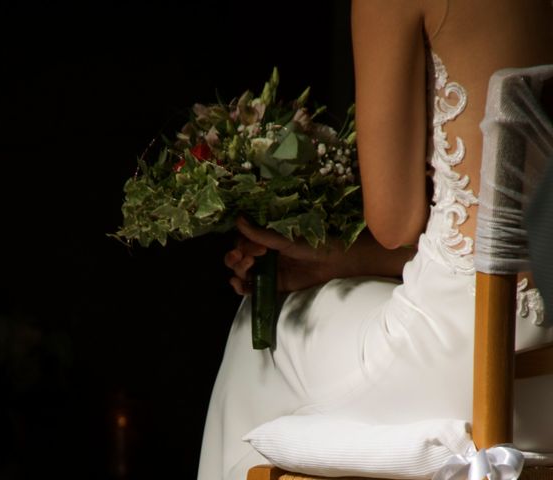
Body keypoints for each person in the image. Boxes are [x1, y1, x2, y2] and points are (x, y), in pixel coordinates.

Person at [197, 1, 553, 479]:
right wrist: (332, 262)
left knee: (260, 331)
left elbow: (395, 222)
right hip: (543, 388)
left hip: (468, 374)